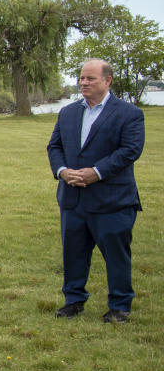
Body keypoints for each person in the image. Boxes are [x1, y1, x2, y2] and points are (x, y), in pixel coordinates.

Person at [46, 58, 145, 323]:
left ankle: (120, 306)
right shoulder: (67, 113)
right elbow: (54, 147)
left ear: (107, 80)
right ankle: (74, 300)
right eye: (81, 78)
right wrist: (62, 171)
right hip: (73, 199)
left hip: (112, 201)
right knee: (74, 254)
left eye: (90, 79)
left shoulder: (129, 114)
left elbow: (129, 151)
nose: (83, 83)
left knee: (116, 255)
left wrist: (96, 173)